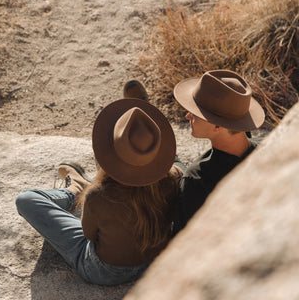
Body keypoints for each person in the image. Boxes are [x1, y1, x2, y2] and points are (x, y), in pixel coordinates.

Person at [15, 98, 181, 286]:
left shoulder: (99, 195)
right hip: (156, 263)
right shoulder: (173, 179)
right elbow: (176, 171)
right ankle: (78, 186)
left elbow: (89, 235)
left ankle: (74, 190)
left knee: (26, 199)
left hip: (104, 272)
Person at [172, 69, 265, 234]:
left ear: (217, 126)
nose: (187, 116)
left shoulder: (196, 180)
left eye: (195, 113)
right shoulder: (270, 151)